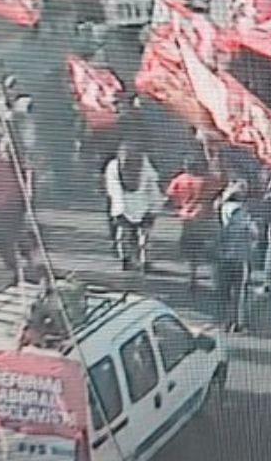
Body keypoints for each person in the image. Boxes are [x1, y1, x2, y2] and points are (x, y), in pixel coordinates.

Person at [104, 142, 163, 271]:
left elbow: (152, 187)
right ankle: (126, 259)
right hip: (124, 209)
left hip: (143, 207)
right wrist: (119, 212)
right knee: (123, 237)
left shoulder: (145, 165)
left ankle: (145, 261)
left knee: (144, 238)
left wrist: (154, 208)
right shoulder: (113, 167)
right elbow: (114, 190)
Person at [167, 158, 220, 290]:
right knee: (209, 247)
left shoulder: (180, 179)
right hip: (205, 216)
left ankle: (192, 275)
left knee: (191, 248)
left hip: (186, 217)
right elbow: (218, 190)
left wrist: (177, 206)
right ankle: (215, 277)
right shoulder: (207, 179)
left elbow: (170, 195)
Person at [0, 150, 34, 284]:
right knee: (9, 238)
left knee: (8, 239)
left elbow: (27, 181)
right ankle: (22, 268)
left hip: (9, 203)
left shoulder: (15, 164)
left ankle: (23, 269)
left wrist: (26, 199)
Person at [215, 180, 258, 333]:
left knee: (224, 290)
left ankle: (224, 321)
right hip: (239, 256)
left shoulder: (221, 208)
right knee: (239, 291)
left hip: (223, 255)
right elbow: (252, 232)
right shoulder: (240, 211)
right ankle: (237, 323)